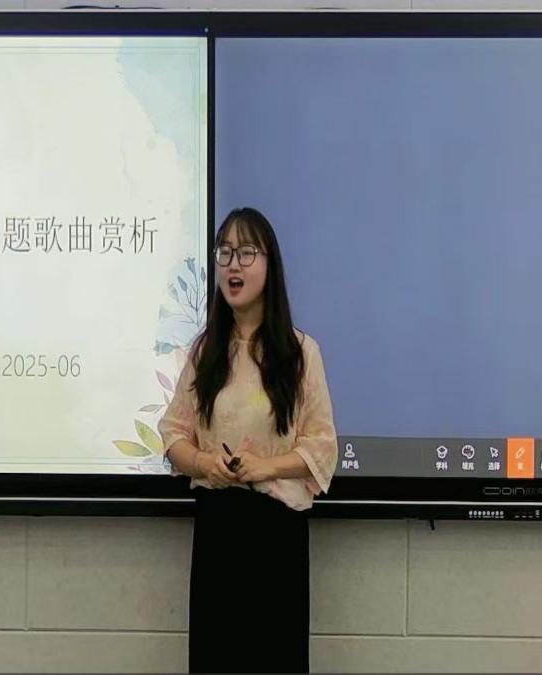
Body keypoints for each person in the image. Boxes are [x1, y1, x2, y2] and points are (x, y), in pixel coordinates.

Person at [158, 206, 338, 673]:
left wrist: (266, 467)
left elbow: (322, 445)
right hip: (218, 528)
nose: (232, 265)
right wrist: (203, 463)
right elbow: (173, 435)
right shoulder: (204, 352)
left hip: (277, 534)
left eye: (246, 252)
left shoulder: (301, 353)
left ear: (269, 265)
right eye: (224, 253)